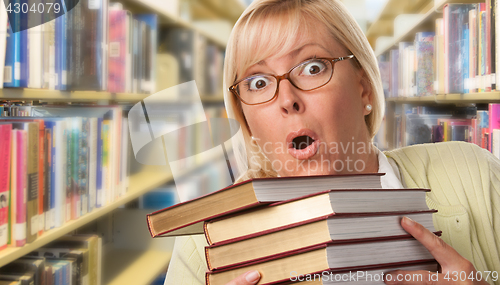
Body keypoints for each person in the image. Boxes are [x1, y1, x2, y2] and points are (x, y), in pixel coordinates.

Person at [164, 0, 500, 284]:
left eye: (312, 68)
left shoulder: (475, 175)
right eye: (258, 82)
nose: (287, 99)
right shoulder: (208, 243)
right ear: (246, 119)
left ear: (364, 89)